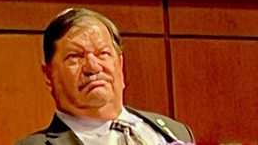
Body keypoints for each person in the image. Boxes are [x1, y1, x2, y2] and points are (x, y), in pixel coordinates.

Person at [16, 8, 194, 145]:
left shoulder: (176, 132)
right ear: (49, 76)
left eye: (103, 53)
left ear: (120, 65)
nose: (93, 67)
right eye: (75, 56)